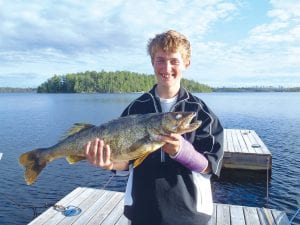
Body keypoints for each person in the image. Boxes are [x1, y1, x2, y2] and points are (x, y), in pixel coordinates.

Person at [85, 30, 224, 225]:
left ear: (186, 64)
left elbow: (210, 166)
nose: (167, 67)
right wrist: (109, 163)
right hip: (142, 212)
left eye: (174, 61)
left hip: (190, 215)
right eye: (160, 60)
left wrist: (181, 151)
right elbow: (126, 163)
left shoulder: (201, 113)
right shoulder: (135, 109)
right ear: (152, 63)